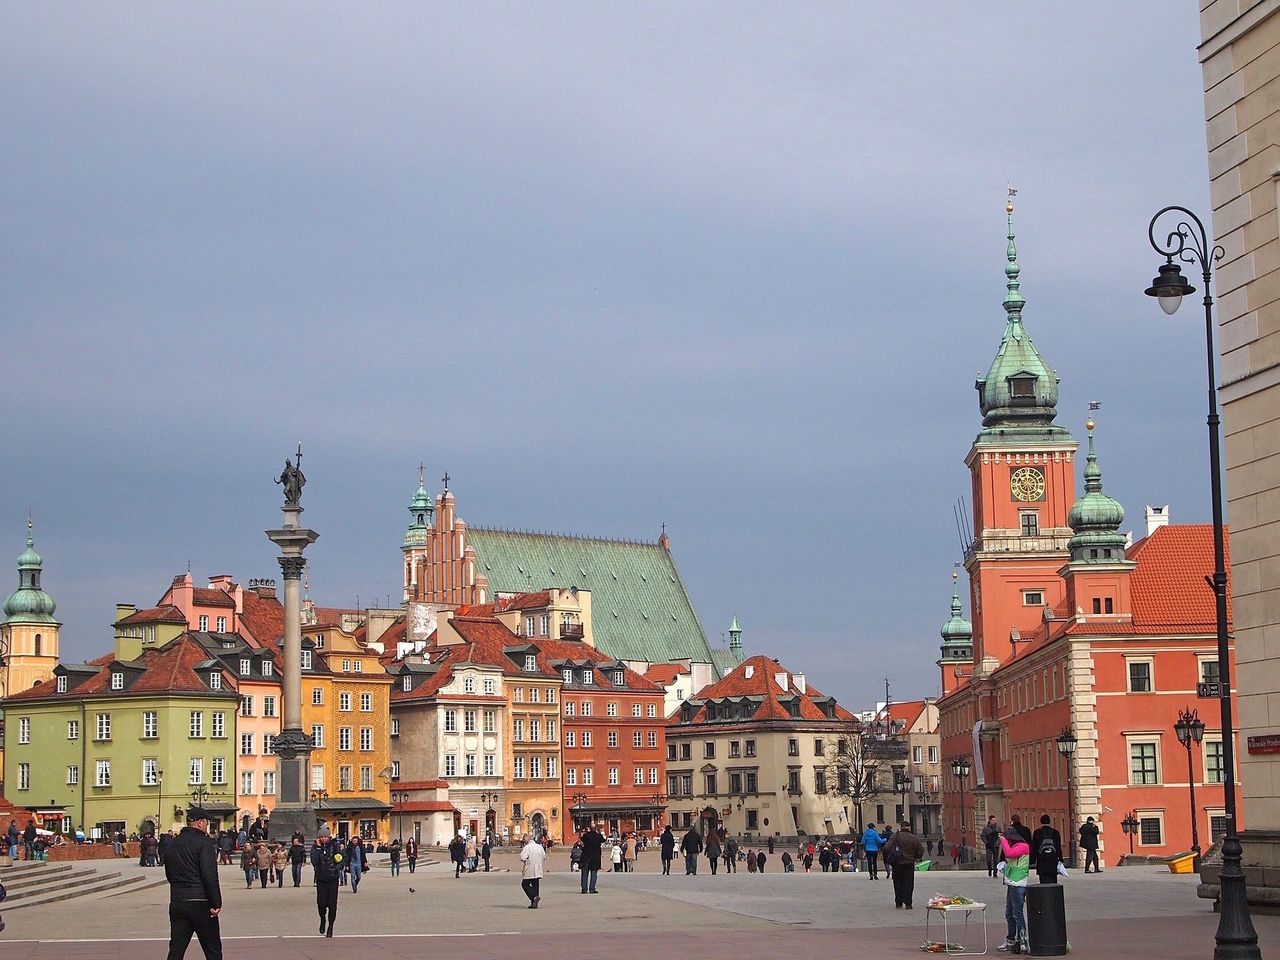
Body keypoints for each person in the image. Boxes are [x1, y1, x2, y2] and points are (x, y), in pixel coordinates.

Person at [164, 806, 222, 960]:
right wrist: (216, 903)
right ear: (200, 822)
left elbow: (169, 873)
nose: (206, 825)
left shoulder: (172, 844)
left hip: (178, 901)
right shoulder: (204, 843)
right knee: (212, 950)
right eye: (206, 822)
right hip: (200, 902)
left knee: (176, 949)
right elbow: (209, 875)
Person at [998, 824, 1031, 952]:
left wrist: (1003, 840)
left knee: (1017, 914)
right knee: (1009, 914)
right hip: (1011, 882)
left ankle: (1022, 939)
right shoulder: (1015, 846)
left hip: (1019, 884)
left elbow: (1010, 854)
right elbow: (1012, 864)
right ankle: (1011, 939)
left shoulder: (1023, 846)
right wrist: (1004, 869)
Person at [311, 826, 344, 938]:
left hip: (333, 878)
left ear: (329, 836)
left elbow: (343, 857)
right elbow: (314, 861)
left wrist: (337, 867)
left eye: (326, 836)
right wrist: (318, 848)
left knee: (332, 904)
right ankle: (322, 919)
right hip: (321, 879)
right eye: (322, 837)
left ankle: (330, 927)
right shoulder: (315, 847)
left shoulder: (334, 846)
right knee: (321, 903)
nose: (324, 839)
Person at [884, 822, 925, 910]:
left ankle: (898, 902)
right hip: (909, 863)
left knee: (897, 882)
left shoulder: (895, 836)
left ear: (901, 827)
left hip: (897, 863)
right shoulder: (914, 838)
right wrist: (915, 856)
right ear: (909, 828)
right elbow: (921, 851)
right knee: (909, 883)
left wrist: (893, 853)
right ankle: (908, 903)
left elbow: (887, 848)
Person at [1031, 815, 1063, 885]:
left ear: (1041, 821)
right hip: (1053, 858)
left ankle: (1044, 893)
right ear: (1049, 821)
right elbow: (1058, 847)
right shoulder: (1055, 832)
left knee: (1043, 878)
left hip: (1041, 859)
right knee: (1053, 878)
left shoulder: (1037, 832)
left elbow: (1034, 847)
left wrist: (1032, 859)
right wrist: (1060, 858)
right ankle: (1053, 893)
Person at [519, 833, 546, 908]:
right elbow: (544, 857)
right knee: (535, 885)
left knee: (525, 884)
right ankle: (534, 903)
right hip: (538, 868)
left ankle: (534, 897)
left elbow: (522, 857)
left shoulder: (527, 847)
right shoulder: (539, 847)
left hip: (529, 868)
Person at [579, 823, 604, 894]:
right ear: (596, 829)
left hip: (586, 856)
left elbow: (581, 839)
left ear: (589, 828)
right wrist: (599, 832)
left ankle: (584, 889)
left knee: (584, 873)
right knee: (594, 873)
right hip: (595, 858)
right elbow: (603, 840)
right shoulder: (598, 836)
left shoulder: (586, 835)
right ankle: (592, 888)